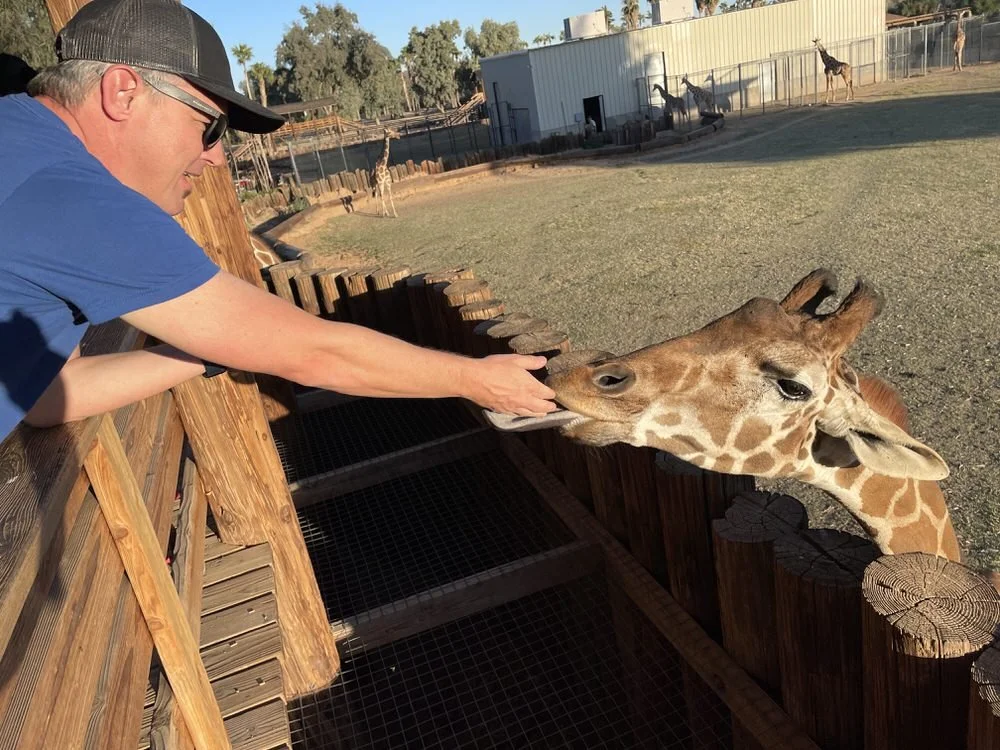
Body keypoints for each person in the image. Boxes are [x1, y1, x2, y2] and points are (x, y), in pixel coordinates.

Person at [0, 0, 557, 443]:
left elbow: (51, 397)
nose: (216, 156)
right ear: (123, 91)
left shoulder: (22, 142)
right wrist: (474, 378)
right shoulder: (74, 195)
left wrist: (218, 347)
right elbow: (316, 353)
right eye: (210, 126)